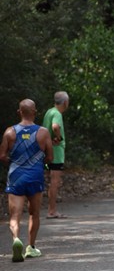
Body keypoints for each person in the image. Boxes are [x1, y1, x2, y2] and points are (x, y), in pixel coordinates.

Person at [0, 99, 53, 261]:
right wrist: (38, 162)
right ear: (35, 112)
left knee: (15, 215)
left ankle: (16, 239)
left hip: (16, 176)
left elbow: (2, 155)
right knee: (34, 213)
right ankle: (31, 247)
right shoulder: (43, 132)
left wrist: (14, 162)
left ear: (19, 112)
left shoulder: (10, 132)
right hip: (35, 176)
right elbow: (50, 157)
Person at [42, 91, 69, 218]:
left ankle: (51, 209)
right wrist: (59, 138)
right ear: (65, 102)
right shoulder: (57, 113)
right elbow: (55, 126)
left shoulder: (49, 111)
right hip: (56, 152)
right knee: (55, 181)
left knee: (51, 180)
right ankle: (52, 210)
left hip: (47, 151)